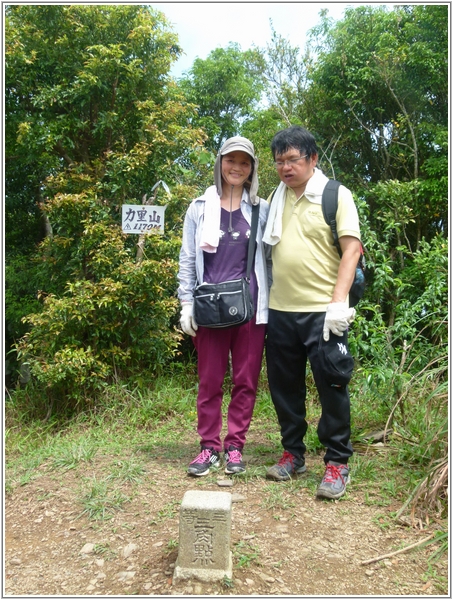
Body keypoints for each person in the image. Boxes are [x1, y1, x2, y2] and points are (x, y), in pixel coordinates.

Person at [263, 125, 361, 500]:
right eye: (279, 161)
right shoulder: (276, 197)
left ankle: (338, 462)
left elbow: (351, 250)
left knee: (332, 386)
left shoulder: (335, 195)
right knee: (284, 388)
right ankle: (293, 453)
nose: (286, 167)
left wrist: (339, 303)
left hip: (324, 312)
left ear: (313, 159)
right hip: (281, 310)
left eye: (293, 159)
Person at [177, 136, 271, 477]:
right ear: (220, 163)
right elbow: (188, 258)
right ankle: (208, 447)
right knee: (210, 380)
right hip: (210, 306)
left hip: (250, 306)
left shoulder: (260, 208)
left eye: (244, 163)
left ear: (252, 169)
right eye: (231, 160)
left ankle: (234, 446)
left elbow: (272, 259)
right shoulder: (199, 207)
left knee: (246, 380)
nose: (237, 168)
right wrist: (186, 303)